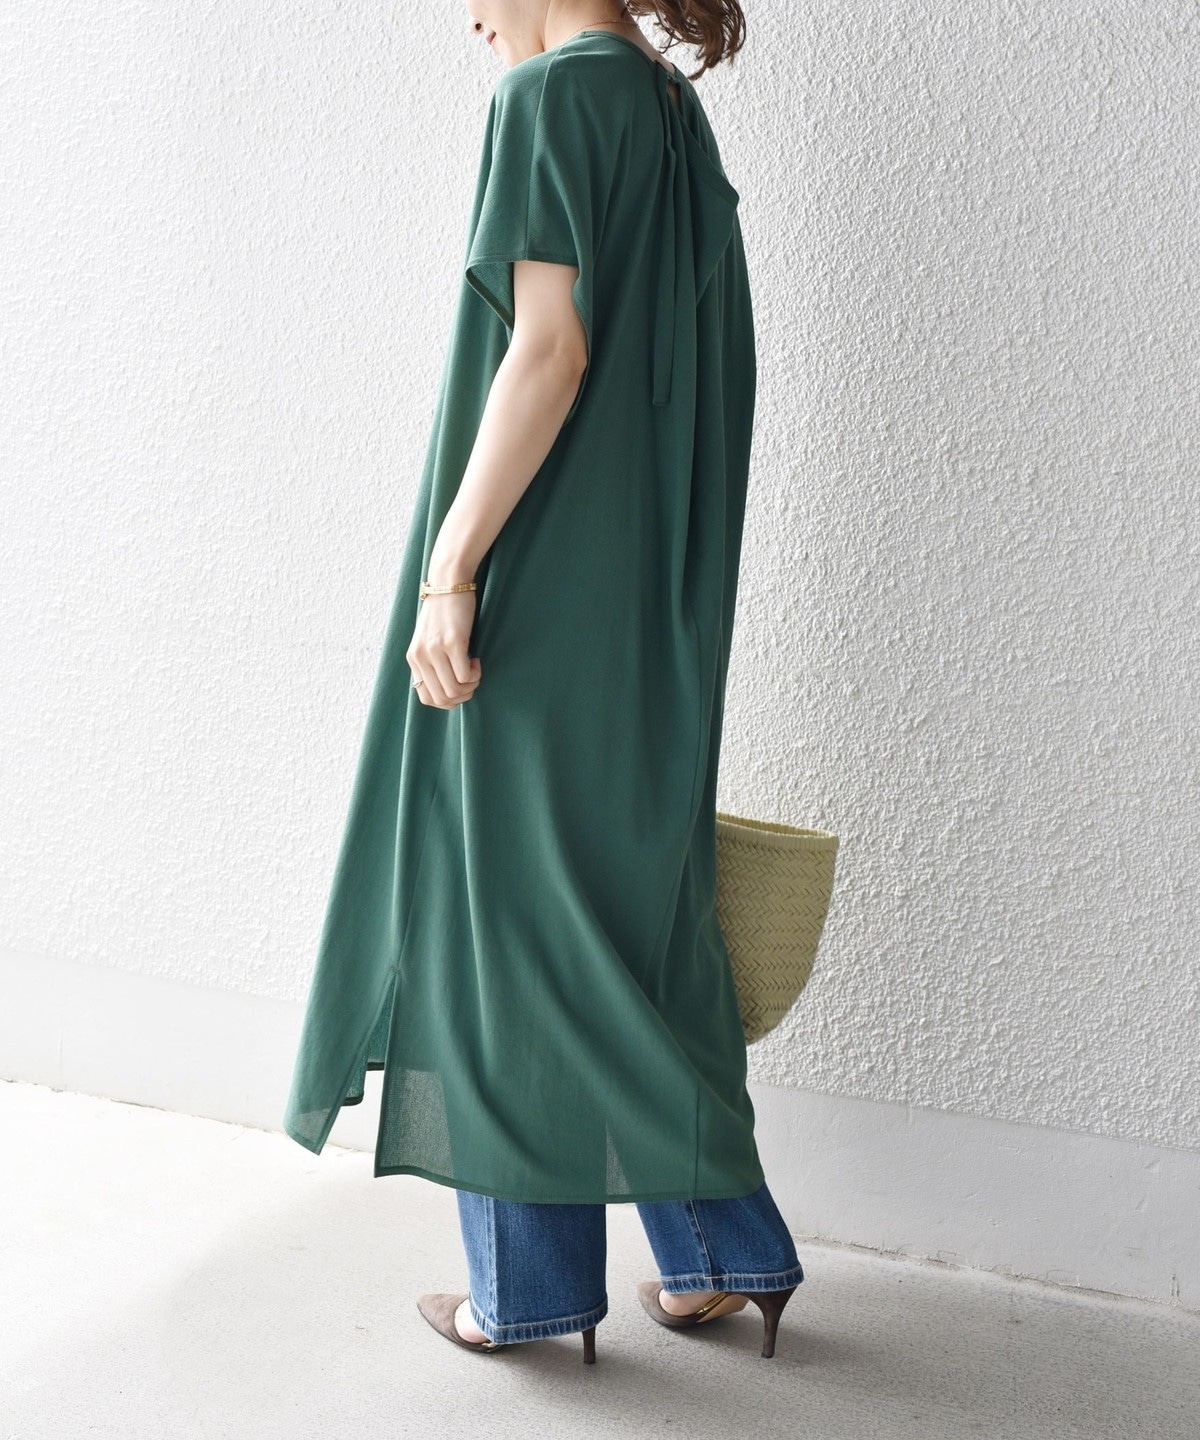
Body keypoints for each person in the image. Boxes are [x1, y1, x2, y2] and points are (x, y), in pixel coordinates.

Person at [283, 0, 805, 1363]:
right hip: (649, 601)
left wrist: (451, 567)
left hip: (545, 586)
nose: (465, 12)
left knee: (504, 926)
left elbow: (550, 349)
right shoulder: (669, 112)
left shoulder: (549, 101)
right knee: (625, 925)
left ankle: (528, 1291)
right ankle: (723, 1254)